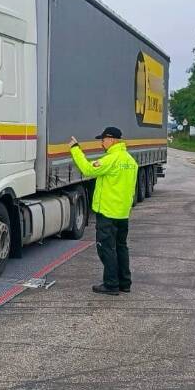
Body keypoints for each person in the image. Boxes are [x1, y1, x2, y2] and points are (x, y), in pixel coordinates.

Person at [68, 126, 139, 295]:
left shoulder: (111, 159)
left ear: (112, 140)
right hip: (122, 213)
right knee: (121, 247)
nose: (101, 143)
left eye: (103, 139)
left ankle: (111, 284)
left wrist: (75, 149)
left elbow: (88, 169)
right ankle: (125, 282)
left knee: (106, 248)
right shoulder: (130, 161)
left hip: (107, 212)